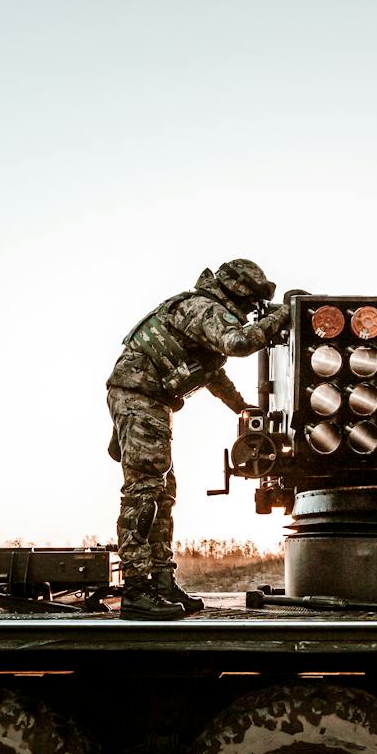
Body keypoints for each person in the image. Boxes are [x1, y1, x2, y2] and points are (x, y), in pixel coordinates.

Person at [107, 259, 292, 619]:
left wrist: (241, 407)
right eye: (251, 302)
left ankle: (160, 581)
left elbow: (211, 373)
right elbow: (237, 343)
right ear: (238, 293)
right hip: (139, 398)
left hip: (148, 401)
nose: (250, 312)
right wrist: (280, 317)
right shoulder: (203, 309)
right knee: (144, 490)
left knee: (162, 493)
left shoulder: (198, 312)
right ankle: (136, 589)